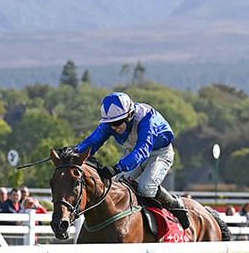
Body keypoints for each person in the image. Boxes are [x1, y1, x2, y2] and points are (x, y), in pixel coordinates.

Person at [74, 91, 190, 228]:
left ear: (129, 115)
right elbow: (93, 141)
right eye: (110, 123)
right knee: (117, 186)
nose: (114, 127)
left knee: (146, 188)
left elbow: (142, 150)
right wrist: (74, 152)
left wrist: (117, 168)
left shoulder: (147, 119)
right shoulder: (112, 122)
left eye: (117, 123)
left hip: (159, 153)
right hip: (133, 153)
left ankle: (175, 204)